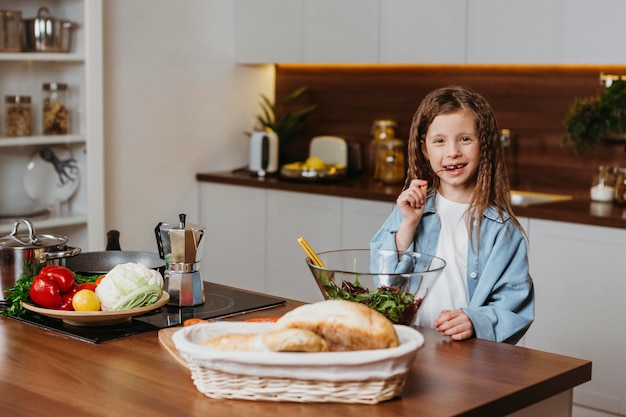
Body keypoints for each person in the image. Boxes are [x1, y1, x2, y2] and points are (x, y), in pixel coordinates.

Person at [370, 85, 534, 344]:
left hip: (467, 357)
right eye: (439, 141)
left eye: (465, 139)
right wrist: (408, 226)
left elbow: (514, 307)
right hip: (410, 345)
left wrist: (474, 321)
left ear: (485, 145)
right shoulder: (409, 214)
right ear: (425, 150)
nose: (453, 151)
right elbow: (383, 283)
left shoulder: (502, 230)